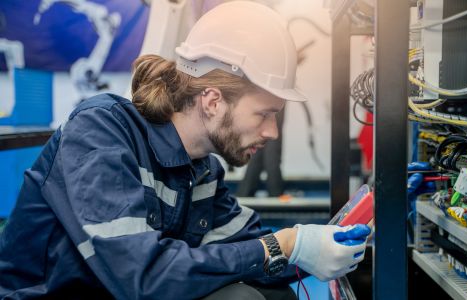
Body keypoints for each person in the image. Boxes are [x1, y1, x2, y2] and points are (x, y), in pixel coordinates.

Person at [0, 2, 372, 299]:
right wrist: (285, 243)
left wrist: (325, 244)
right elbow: (141, 278)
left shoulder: (201, 169)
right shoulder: (100, 131)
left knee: (270, 295)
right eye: (264, 114)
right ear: (212, 101)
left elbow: (258, 251)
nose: (272, 131)